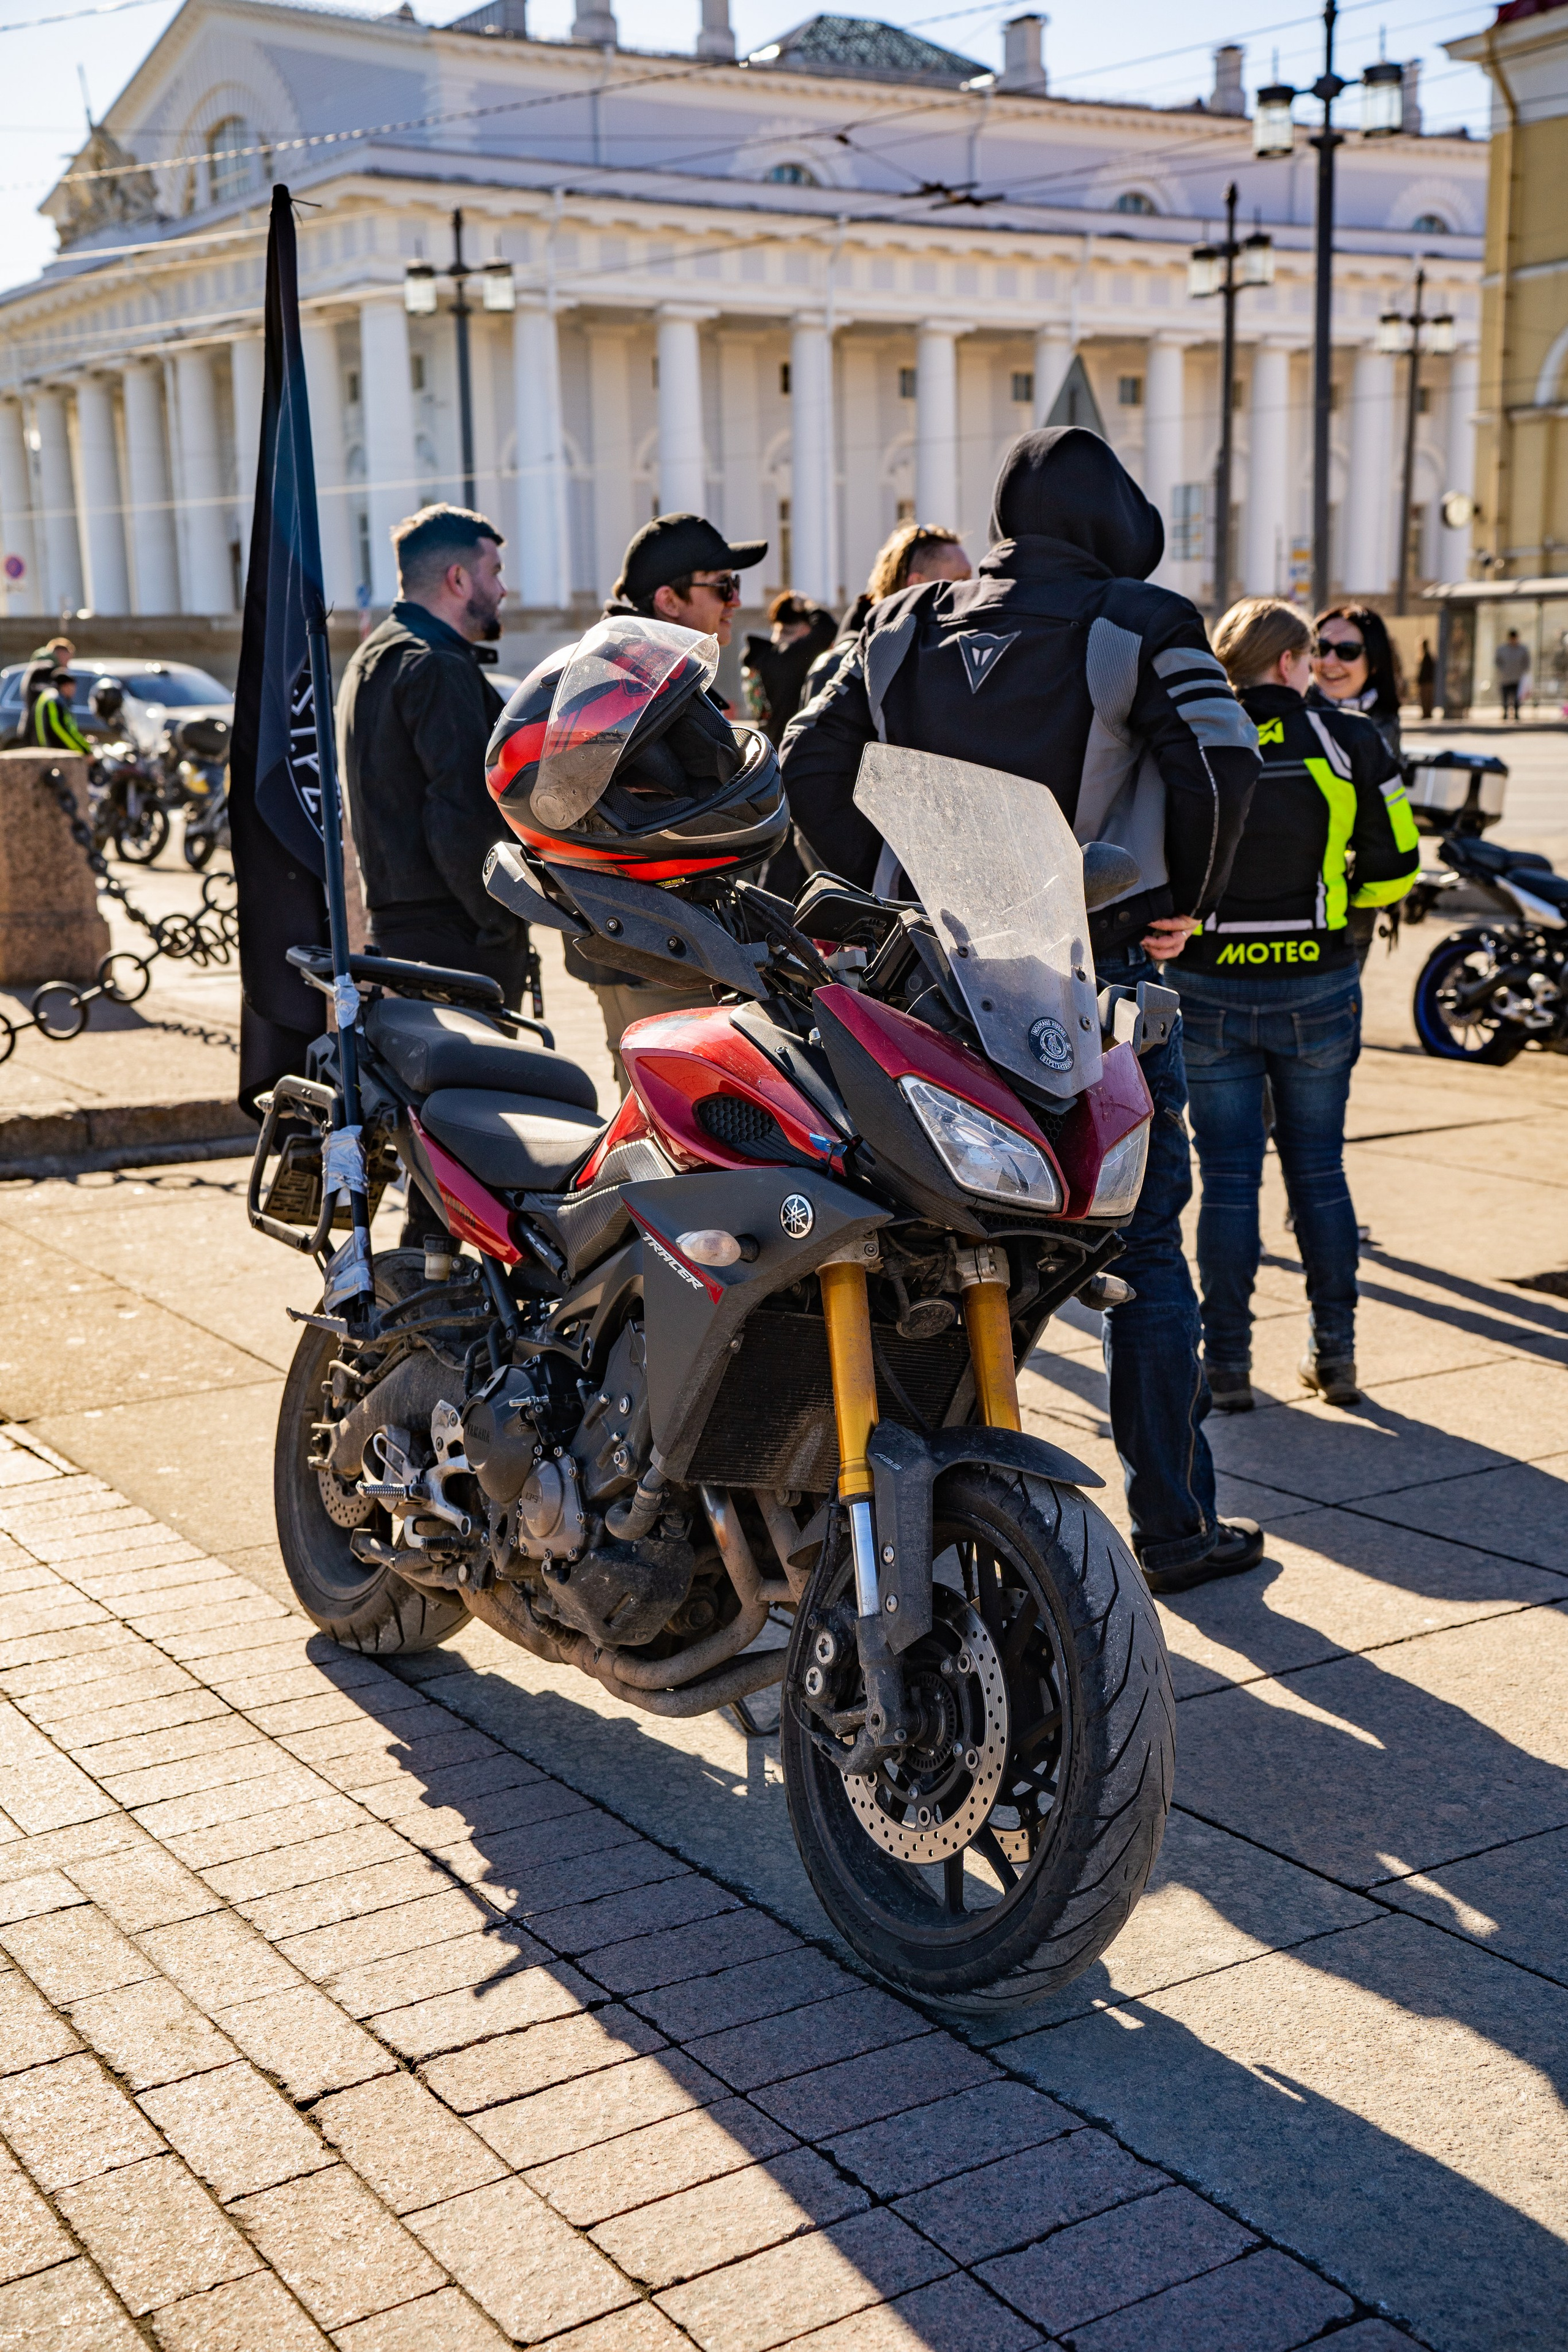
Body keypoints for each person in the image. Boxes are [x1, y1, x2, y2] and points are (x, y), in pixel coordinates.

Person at [782, 425, 1264, 1595]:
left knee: (919, 1237)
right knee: (1143, 1250)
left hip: (924, 985)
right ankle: (1174, 1525)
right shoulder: (1142, 622)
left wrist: (884, 885)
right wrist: (1182, 907)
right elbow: (1224, 762)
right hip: (1087, 983)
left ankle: (913, 1510)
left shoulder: (900, 623)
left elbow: (803, 759)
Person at [1175, 597, 1421, 1415]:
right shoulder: (1350, 741)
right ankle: (1335, 1356)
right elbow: (1400, 864)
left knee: (1230, 1177)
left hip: (1208, 983)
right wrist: (1345, 923)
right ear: (1290, 663)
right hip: (1317, 981)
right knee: (1319, 1170)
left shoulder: (1193, 741)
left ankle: (1227, 1368)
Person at [583, 511, 768, 1087]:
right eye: (723, 585)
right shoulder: (637, 676)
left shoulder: (651, 666)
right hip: (650, 946)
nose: (735, 600)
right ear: (668, 599)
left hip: (658, 940)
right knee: (665, 1122)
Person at [337, 503, 529, 1002]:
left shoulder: (374, 654)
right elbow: (461, 812)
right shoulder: (437, 665)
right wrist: (501, 923)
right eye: (496, 572)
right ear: (459, 578)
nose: (504, 590)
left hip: (402, 931)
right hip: (456, 942)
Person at [1310, 605, 1403, 968]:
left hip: (1352, 901)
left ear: (1375, 662)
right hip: (1286, 890)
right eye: (1320, 649)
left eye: (1347, 652)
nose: (1330, 661)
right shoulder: (1286, 711)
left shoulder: (1384, 725)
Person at [741, 594, 838, 747]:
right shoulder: (788, 658)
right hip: (791, 749)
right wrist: (809, 605)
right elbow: (827, 629)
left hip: (771, 747)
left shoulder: (762, 659)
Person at [28, 665, 92, 756]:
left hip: (50, 752)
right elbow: (59, 729)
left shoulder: (56, 697)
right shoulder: (53, 700)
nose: (74, 691)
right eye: (73, 687)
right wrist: (82, 751)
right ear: (66, 686)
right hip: (50, 753)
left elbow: (70, 729)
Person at [1493, 628, 1530, 721]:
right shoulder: (1502, 649)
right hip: (1505, 678)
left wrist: (1523, 671)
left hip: (1518, 678)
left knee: (1517, 698)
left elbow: (1527, 662)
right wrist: (1502, 670)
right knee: (1505, 697)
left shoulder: (1522, 649)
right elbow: (1497, 661)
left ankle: (1516, 713)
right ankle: (1505, 713)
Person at [1417, 638, 1436, 720]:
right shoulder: (1426, 656)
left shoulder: (1427, 656)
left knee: (1426, 699)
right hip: (1427, 681)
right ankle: (1427, 713)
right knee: (1426, 699)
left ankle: (1427, 713)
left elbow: (1425, 671)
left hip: (1426, 681)